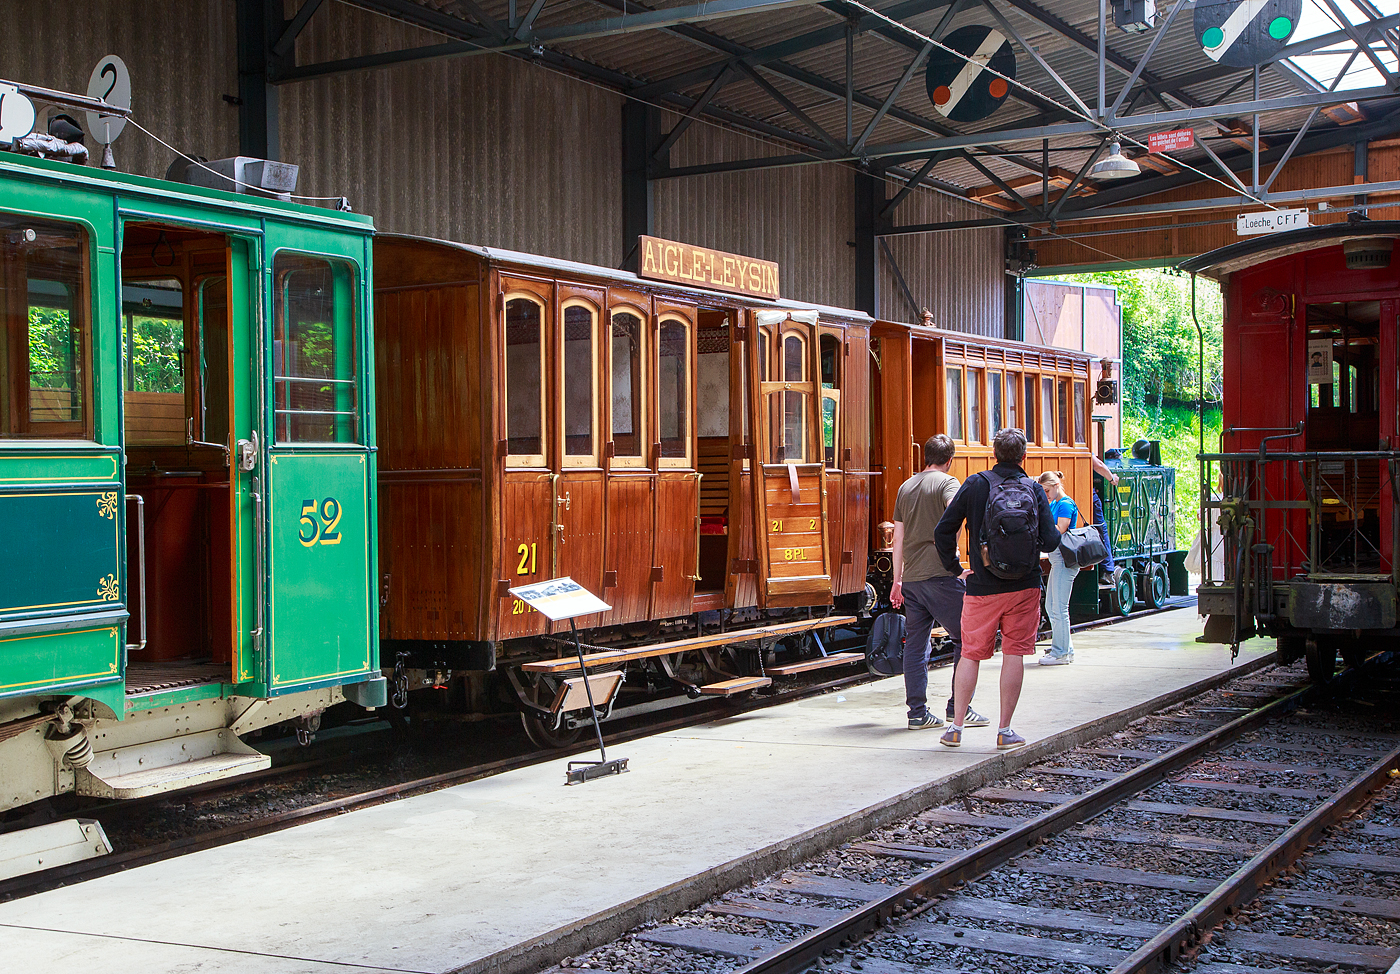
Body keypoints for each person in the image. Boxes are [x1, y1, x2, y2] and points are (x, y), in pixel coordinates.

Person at [933, 428, 1061, 751]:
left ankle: (956, 728)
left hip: (981, 587)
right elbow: (1050, 540)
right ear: (1024, 457)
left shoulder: (976, 484)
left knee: (970, 654)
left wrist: (955, 567)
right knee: (1014, 654)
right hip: (1025, 588)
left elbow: (943, 531)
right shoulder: (1034, 489)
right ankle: (1005, 730)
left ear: (994, 454)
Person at [889, 434, 991, 731]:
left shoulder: (906, 486)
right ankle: (958, 707)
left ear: (925, 457)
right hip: (942, 577)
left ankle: (917, 714)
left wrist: (898, 580)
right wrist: (957, 565)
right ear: (949, 460)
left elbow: (898, 538)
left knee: (916, 646)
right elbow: (954, 516)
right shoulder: (949, 484)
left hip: (912, 579)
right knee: (967, 639)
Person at [1037, 470, 1079, 665]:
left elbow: (1060, 529)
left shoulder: (1065, 504)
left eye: (1047, 490)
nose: (1045, 495)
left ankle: (1060, 652)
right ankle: (1065, 649)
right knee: (1051, 606)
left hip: (1064, 560)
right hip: (1057, 561)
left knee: (1059, 608)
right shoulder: (1055, 503)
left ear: (1055, 486)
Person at [1090, 454, 1118, 577]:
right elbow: (1098, 465)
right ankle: (1107, 570)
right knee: (1101, 530)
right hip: (1087, 495)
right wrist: (1112, 479)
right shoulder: (1083, 448)